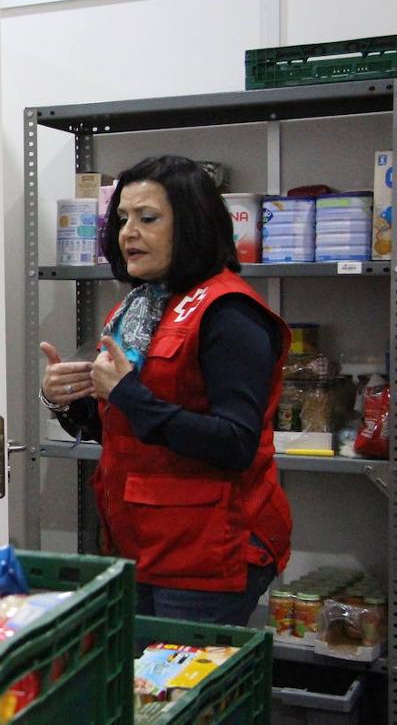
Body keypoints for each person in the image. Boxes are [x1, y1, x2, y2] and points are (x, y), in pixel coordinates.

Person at [39, 155, 292, 626]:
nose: (128, 232)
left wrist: (129, 394)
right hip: (144, 543)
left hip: (207, 551)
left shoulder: (229, 312)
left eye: (147, 218)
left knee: (175, 694)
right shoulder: (143, 305)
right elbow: (124, 430)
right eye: (122, 219)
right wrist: (65, 400)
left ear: (192, 224)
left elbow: (235, 443)